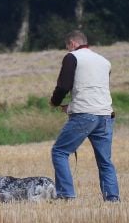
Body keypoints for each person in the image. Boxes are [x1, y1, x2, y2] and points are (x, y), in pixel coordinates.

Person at [49, 30, 120, 202]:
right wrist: (72, 106)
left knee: (59, 151)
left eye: (67, 47)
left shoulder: (72, 57)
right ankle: (112, 198)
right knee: (105, 161)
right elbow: (94, 89)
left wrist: (55, 102)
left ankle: (66, 194)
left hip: (84, 115)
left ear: (73, 44)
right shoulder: (105, 62)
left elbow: (64, 86)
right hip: (105, 115)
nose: (68, 50)